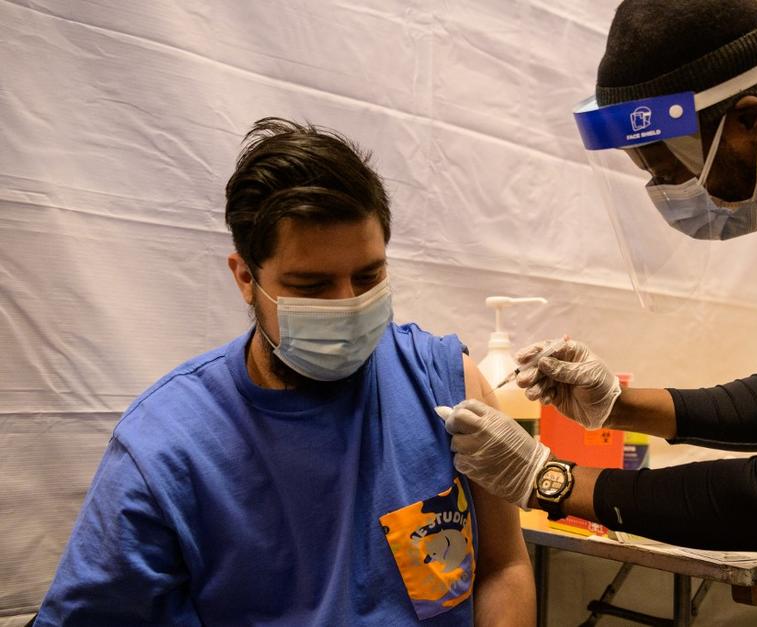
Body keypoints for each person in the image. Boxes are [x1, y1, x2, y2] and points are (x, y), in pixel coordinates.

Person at [445, 0, 757, 553]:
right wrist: (619, 405)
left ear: (751, 120)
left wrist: (546, 480)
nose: (669, 193)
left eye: (671, 169)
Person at [35, 118, 534, 625]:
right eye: (311, 285)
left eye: (369, 275)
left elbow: (504, 566)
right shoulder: (167, 450)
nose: (350, 304)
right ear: (246, 278)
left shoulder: (444, 383)